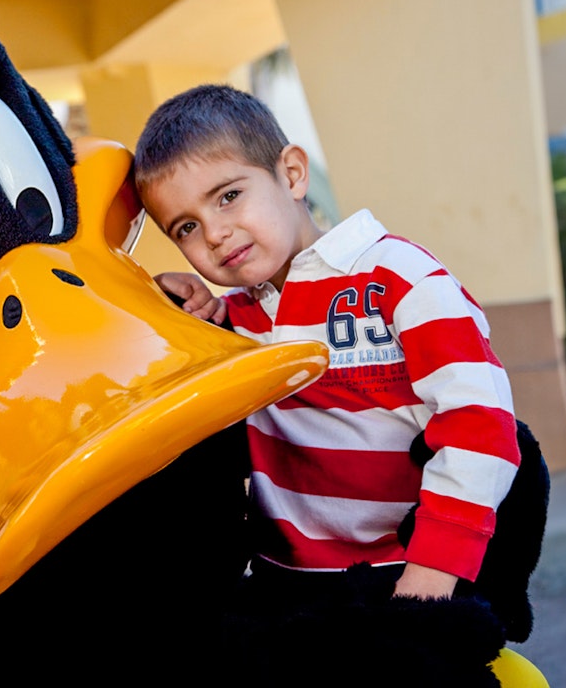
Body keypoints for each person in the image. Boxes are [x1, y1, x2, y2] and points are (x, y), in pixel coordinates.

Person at [134, 84, 524, 674]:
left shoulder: (401, 279)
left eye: (229, 196)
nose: (213, 233)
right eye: (184, 227)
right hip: (284, 588)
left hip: (408, 576)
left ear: (292, 174)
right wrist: (168, 310)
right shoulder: (233, 323)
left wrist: (425, 588)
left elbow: (482, 431)